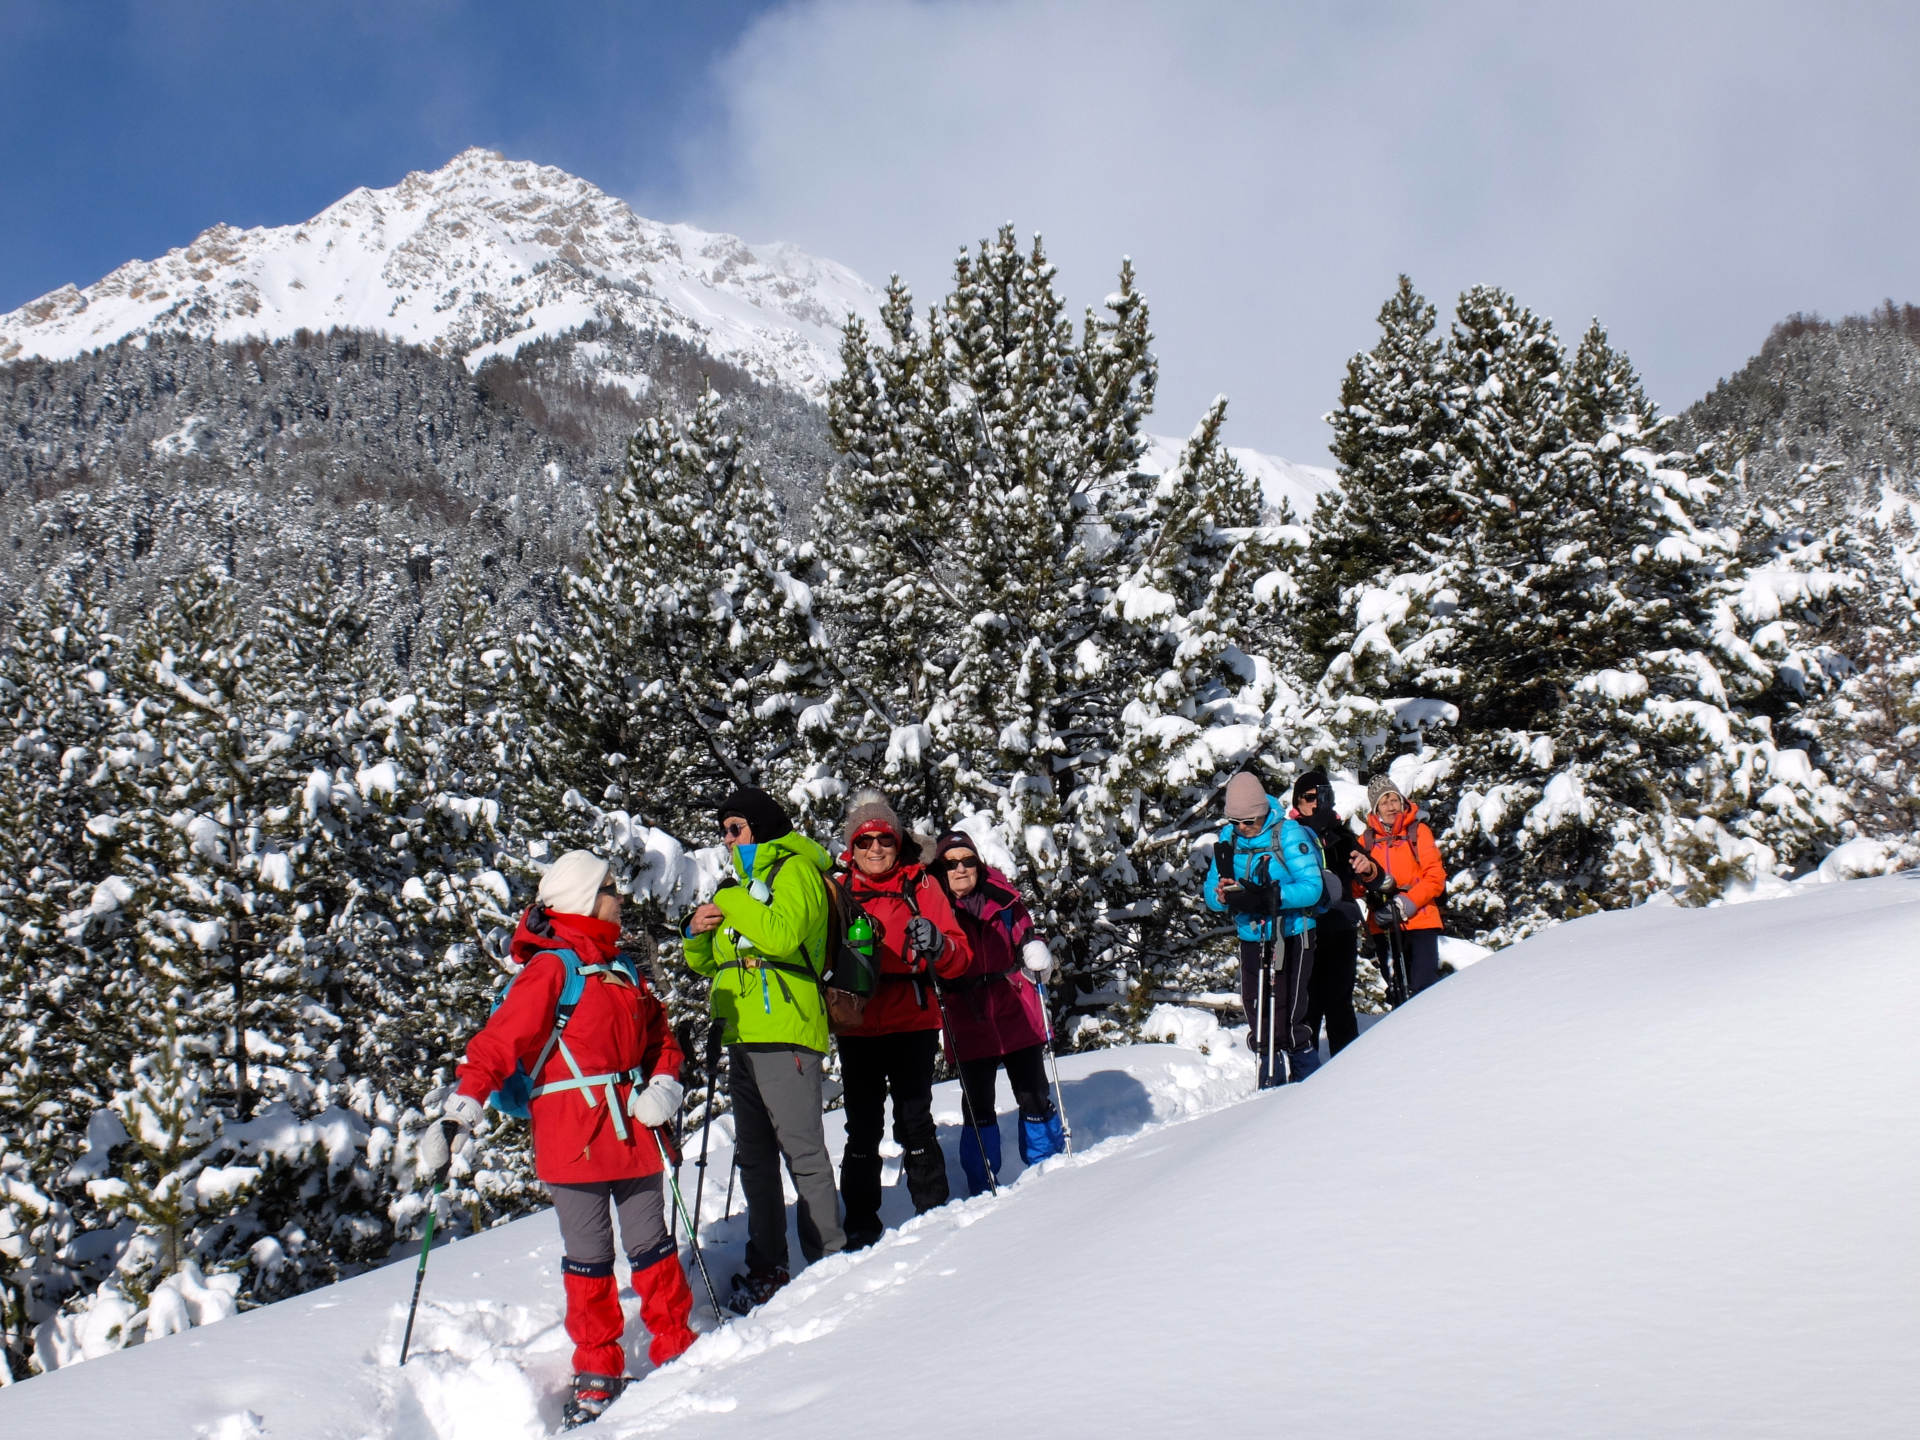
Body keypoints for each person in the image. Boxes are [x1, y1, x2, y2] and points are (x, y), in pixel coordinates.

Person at [420, 850, 694, 1428]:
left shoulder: (625, 968)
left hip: (634, 1126)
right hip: (573, 1134)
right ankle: (598, 1369)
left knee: (655, 1248)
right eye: (612, 889)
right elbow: (499, 1042)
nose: (621, 898)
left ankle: (675, 1343)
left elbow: (660, 1040)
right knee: (590, 1260)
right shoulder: (550, 968)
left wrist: (665, 1084)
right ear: (585, 899)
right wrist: (461, 1109)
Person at [682, 786, 846, 1314]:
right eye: (724, 831)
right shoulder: (744, 886)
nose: (728, 839)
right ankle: (768, 1265)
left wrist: (727, 900)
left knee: (803, 1152)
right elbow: (711, 966)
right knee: (754, 1160)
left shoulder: (795, 870)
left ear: (761, 825)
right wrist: (696, 936)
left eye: (736, 828)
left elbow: (780, 936)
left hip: (788, 1029)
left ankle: (831, 1263)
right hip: (742, 1035)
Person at [833, 789, 972, 1248]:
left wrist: (938, 944)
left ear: (898, 842)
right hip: (858, 1023)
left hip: (911, 1021)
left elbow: (959, 953)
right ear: (851, 847)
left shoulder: (922, 885)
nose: (875, 849)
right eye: (865, 840)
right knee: (862, 1126)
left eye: (884, 840)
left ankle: (932, 1213)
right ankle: (860, 1227)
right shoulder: (838, 890)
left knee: (915, 1120)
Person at [928, 831, 1066, 1195]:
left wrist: (1037, 954)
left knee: (1033, 1092)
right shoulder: (935, 908)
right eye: (951, 863)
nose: (960, 869)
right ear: (941, 869)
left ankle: (1048, 1166)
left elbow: (1028, 939)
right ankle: (982, 1181)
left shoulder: (1004, 901)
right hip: (967, 1014)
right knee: (977, 1104)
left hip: (1014, 1008)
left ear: (978, 863)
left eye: (967, 861)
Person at [1202, 769, 1325, 1083]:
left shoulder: (1288, 834)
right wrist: (1223, 896)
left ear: (1262, 813)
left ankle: (1307, 1074)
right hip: (1252, 935)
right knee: (1255, 1007)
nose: (1242, 829)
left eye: (1249, 822)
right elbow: (1212, 895)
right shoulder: (1228, 841)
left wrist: (1273, 896)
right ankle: (1269, 1071)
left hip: (1293, 933)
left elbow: (1313, 887)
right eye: (1236, 822)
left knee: (1290, 1008)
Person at [1292, 769, 1382, 1058]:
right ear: (1297, 801)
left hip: (1340, 927)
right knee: (1308, 1003)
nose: (1315, 803)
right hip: (1304, 929)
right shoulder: (1290, 838)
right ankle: (1304, 1071)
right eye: (1308, 797)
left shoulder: (1341, 836)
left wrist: (1368, 869)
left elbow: (1375, 877)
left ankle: (1345, 1070)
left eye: (1322, 796)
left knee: (1339, 1001)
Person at [1358, 775, 1448, 997]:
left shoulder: (1418, 832)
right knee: (1398, 992)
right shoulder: (1366, 841)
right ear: (1376, 809)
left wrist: (1407, 903)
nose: (1391, 807)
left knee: (1423, 990)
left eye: (1394, 800)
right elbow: (1355, 887)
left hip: (1422, 921)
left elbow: (1435, 876)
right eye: (1384, 802)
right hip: (1384, 927)